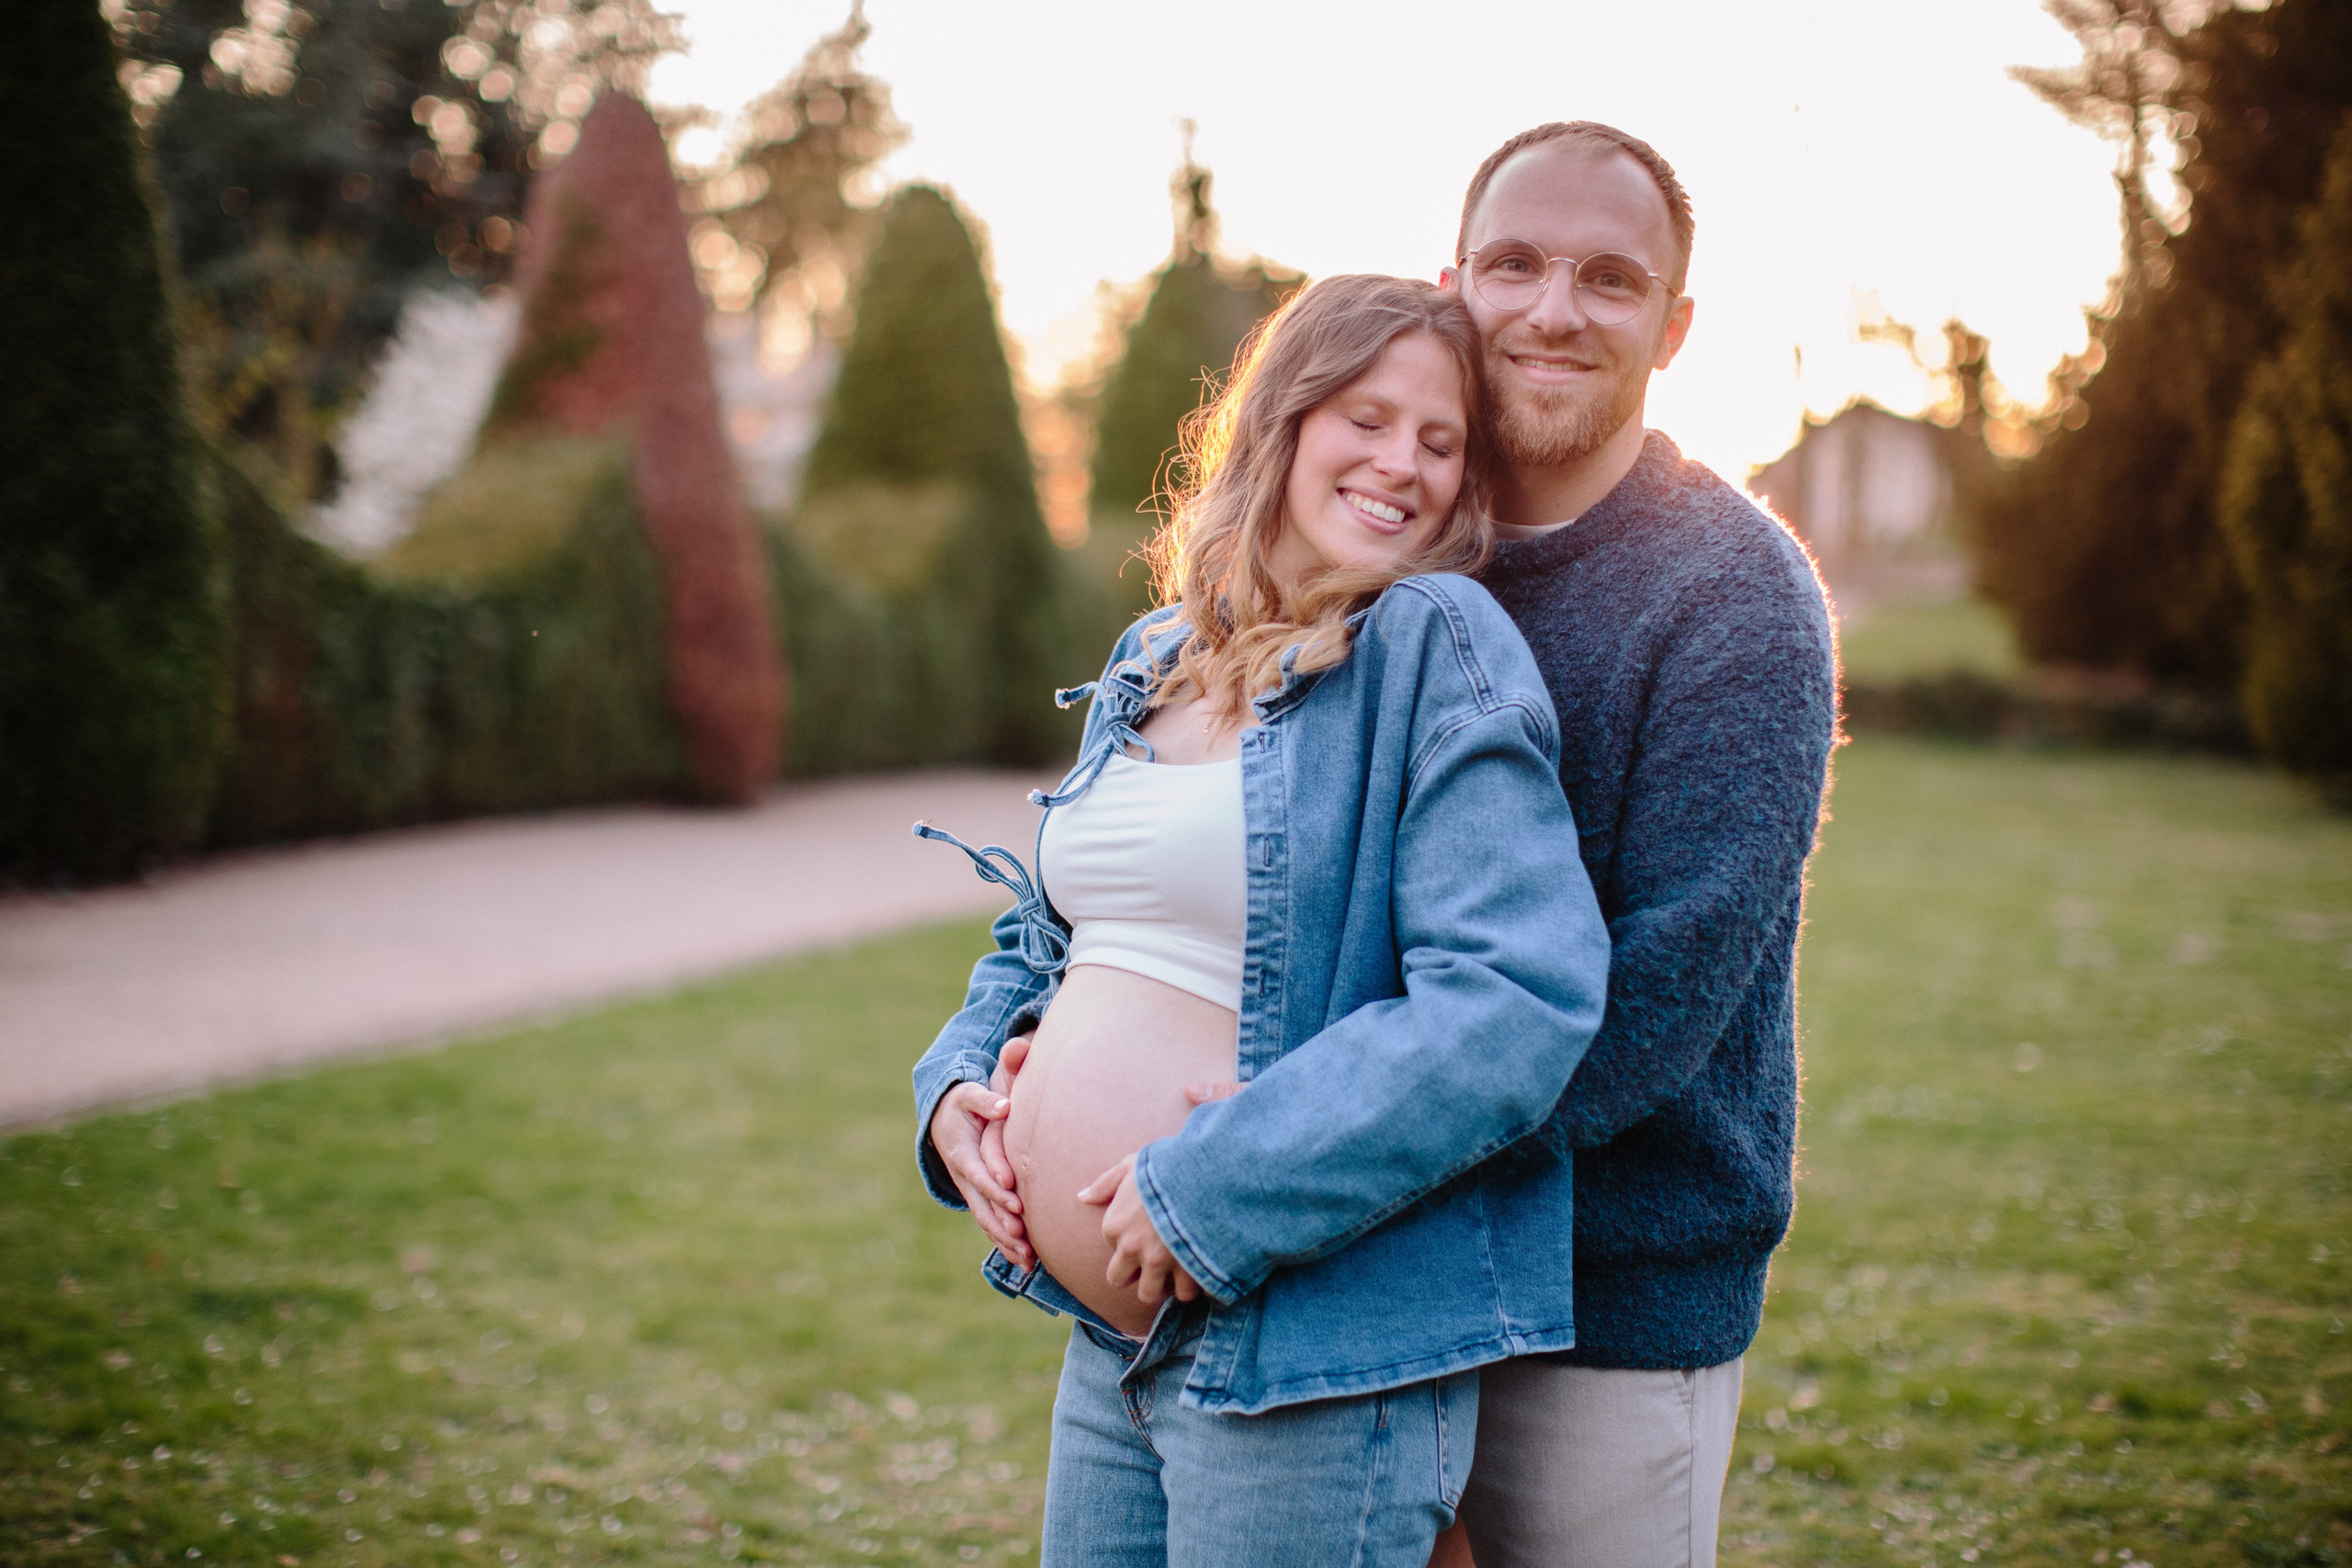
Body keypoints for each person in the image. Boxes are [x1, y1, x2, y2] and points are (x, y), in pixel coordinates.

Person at [910, 274, 1611, 1567]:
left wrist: (1214, 1185)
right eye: (1367, 416)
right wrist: (956, 1086)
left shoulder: (1431, 646)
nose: (1402, 462)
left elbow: (1516, 1001)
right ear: (1284, 419)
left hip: (1307, 1355)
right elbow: (1051, 942)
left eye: (1441, 441)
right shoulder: (1153, 654)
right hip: (1112, 1345)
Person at [1425, 123, 1839, 1568]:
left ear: (1673, 328)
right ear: (1451, 283)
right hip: (1355, 1286)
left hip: (1607, 1304)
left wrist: (1329, 1162)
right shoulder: (1390, 544)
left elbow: (1663, 990)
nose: (1552, 309)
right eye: (1515, 264)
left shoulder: (1735, 593)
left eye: (1609, 279)